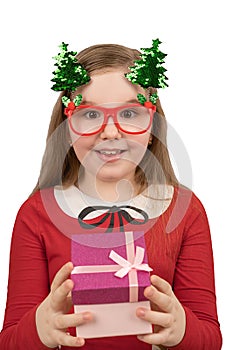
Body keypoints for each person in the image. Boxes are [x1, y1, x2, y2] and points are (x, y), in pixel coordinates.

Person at [0, 40, 222, 350]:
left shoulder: (183, 210)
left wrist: (182, 329)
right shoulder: (38, 213)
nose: (111, 132)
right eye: (90, 115)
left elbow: (210, 339)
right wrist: (40, 328)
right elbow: (9, 341)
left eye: (130, 113)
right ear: (67, 124)